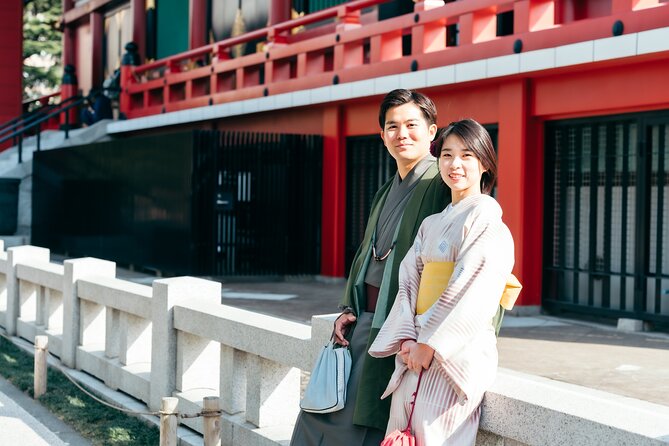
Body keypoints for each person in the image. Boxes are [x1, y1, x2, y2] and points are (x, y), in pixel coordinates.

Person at [290, 89, 452, 445]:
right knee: (322, 410)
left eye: (412, 124)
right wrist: (349, 306)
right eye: (392, 127)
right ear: (382, 136)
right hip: (367, 319)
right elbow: (368, 253)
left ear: (432, 131)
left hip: (402, 324)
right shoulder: (384, 190)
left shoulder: (441, 183)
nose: (402, 134)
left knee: (354, 420)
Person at [368, 119, 515, 445]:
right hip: (415, 350)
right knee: (400, 434)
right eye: (447, 155)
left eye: (466, 155)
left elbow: (473, 289)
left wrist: (431, 344)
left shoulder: (486, 218)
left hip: (452, 356)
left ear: (485, 164)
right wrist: (407, 339)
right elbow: (407, 283)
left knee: (436, 437)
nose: (455, 164)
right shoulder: (431, 224)